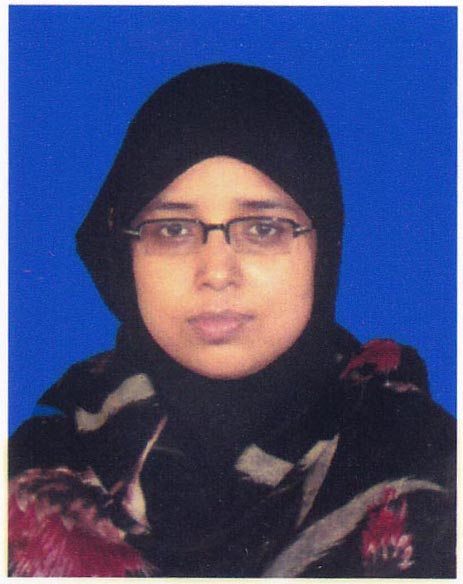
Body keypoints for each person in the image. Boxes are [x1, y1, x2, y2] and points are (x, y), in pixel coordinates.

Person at [8, 63, 455, 578]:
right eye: (172, 230)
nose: (217, 272)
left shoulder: (429, 466)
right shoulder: (35, 466)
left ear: (324, 249)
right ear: (122, 255)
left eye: (263, 228)